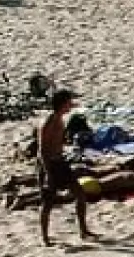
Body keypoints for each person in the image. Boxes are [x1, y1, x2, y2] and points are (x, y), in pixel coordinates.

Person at [38, 89, 98, 245]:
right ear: (62, 104)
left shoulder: (60, 120)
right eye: (68, 102)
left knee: (80, 194)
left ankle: (83, 230)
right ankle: (45, 238)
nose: (71, 104)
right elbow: (42, 150)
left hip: (60, 161)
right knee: (48, 202)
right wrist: (48, 173)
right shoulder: (49, 122)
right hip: (50, 164)